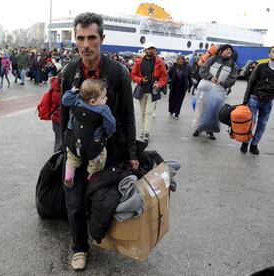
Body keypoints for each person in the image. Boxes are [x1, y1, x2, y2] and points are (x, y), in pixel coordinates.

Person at [60, 12, 139, 270]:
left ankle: (98, 235)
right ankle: (79, 247)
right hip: (76, 149)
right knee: (73, 201)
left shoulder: (118, 73)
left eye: (91, 38)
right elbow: (64, 114)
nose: (85, 44)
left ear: (101, 39)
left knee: (99, 199)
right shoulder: (70, 71)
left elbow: (127, 114)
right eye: (80, 38)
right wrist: (64, 145)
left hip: (106, 152)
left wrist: (132, 153)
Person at [62, 79, 115, 186]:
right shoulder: (103, 109)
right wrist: (108, 134)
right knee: (98, 160)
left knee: (71, 158)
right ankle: (93, 178)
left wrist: (71, 92)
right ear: (92, 101)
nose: (106, 99)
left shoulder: (77, 100)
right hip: (93, 146)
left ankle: (69, 175)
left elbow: (64, 101)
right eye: (103, 97)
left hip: (74, 141)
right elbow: (111, 125)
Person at [194, 44, 238, 140]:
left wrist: (223, 83)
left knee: (215, 111)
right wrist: (210, 77)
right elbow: (202, 70)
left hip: (219, 91)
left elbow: (233, 79)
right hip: (206, 88)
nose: (229, 51)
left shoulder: (233, 65)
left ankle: (211, 131)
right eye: (227, 49)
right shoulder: (212, 59)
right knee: (201, 108)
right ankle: (198, 128)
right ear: (221, 51)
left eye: (230, 50)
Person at [131, 42, 167, 142]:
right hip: (142, 90)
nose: (151, 50)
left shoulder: (159, 62)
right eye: (149, 48)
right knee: (142, 112)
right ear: (145, 50)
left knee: (148, 113)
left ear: (154, 50)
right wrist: (141, 80)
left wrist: (158, 84)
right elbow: (133, 75)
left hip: (153, 91)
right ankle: (143, 130)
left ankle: (146, 132)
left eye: (152, 48)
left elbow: (164, 77)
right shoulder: (139, 62)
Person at [241, 46, 274, 154]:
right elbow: (251, 83)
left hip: (268, 101)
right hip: (255, 99)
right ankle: (245, 142)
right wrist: (245, 100)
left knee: (262, 124)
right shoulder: (260, 67)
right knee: (251, 123)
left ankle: (254, 145)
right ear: (269, 54)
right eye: (273, 52)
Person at [168, 55, 192, 119]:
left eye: (182, 59)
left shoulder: (187, 67)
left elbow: (189, 77)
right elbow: (169, 74)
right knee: (172, 99)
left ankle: (176, 113)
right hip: (174, 86)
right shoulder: (174, 66)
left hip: (182, 87)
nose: (180, 60)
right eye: (179, 59)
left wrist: (190, 85)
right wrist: (168, 81)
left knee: (179, 100)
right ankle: (171, 110)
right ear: (177, 60)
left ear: (184, 61)